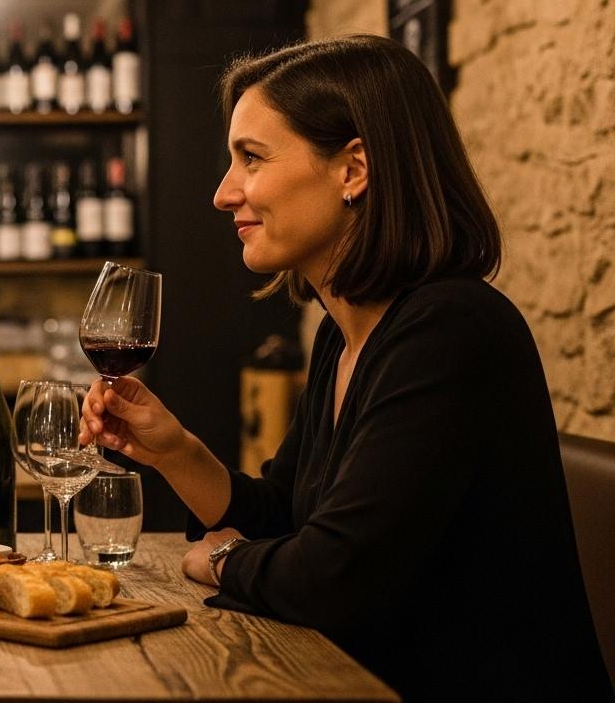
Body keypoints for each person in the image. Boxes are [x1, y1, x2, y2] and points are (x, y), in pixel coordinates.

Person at [81, 35, 612, 701]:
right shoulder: (345, 332)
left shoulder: (451, 330)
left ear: (353, 170)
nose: (223, 193)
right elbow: (286, 516)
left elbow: (331, 575)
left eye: (252, 158)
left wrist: (222, 558)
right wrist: (174, 452)